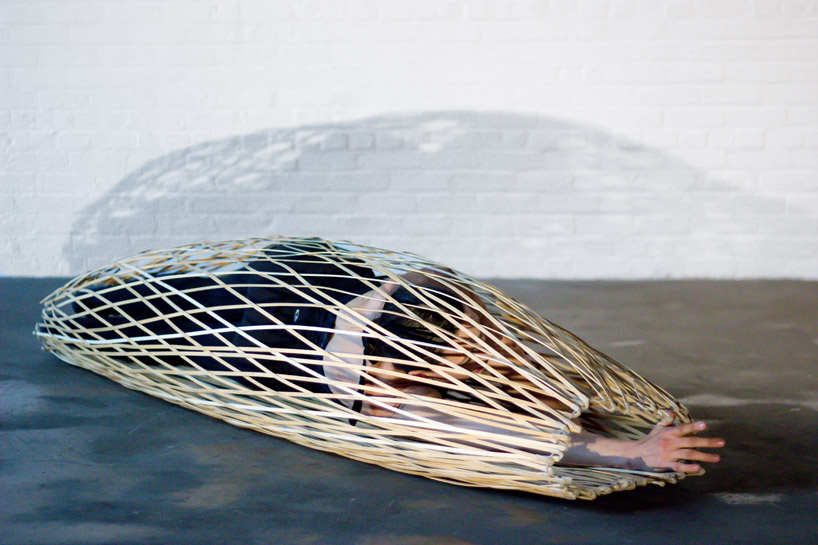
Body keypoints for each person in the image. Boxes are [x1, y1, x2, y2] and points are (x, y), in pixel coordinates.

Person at [65, 238, 724, 474]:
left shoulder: (431, 345)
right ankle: (97, 306)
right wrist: (618, 453)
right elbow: (447, 411)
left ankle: (102, 303)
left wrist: (623, 443)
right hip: (265, 304)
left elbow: (450, 319)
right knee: (116, 307)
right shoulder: (386, 366)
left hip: (279, 299)